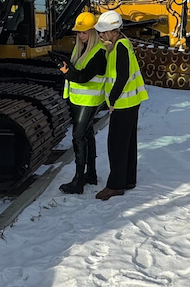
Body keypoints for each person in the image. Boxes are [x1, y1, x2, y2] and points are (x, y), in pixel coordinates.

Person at [93, 10, 148, 200]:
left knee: (116, 145)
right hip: (131, 101)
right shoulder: (121, 44)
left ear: (112, 31)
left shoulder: (120, 47)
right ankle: (128, 179)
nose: (100, 35)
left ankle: (115, 185)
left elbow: (122, 76)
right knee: (128, 143)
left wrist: (113, 100)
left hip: (123, 103)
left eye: (102, 31)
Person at [57, 12, 107, 194]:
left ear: (93, 32)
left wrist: (64, 70)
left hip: (89, 100)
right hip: (79, 99)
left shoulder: (98, 53)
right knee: (87, 134)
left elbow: (83, 77)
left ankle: (78, 181)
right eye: (78, 32)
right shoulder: (82, 49)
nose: (80, 36)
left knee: (78, 136)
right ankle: (90, 174)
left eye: (84, 32)